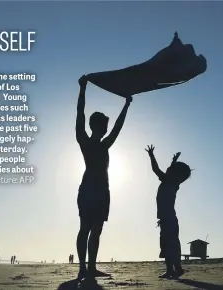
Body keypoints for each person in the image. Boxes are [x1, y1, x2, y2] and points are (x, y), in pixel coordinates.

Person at [75, 75, 132, 280]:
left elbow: (117, 128)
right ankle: (83, 267)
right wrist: (83, 89)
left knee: (96, 230)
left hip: (102, 191)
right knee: (85, 228)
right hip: (90, 189)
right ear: (97, 126)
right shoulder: (85, 140)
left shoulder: (105, 144)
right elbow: (80, 113)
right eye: (105, 126)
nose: (107, 129)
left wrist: (126, 106)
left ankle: (90, 267)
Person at [145, 145, 191, 279]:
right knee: (172, 244)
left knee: (167, 244)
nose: (168, 170)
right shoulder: (174, 182)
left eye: (170, 169)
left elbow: (155, 169)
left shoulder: (168, 180)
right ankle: (176, 269)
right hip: (170, 219)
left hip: (167, 219)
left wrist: (151, 155)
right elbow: (170, 171)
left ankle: (172, 270)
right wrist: (174, 161)